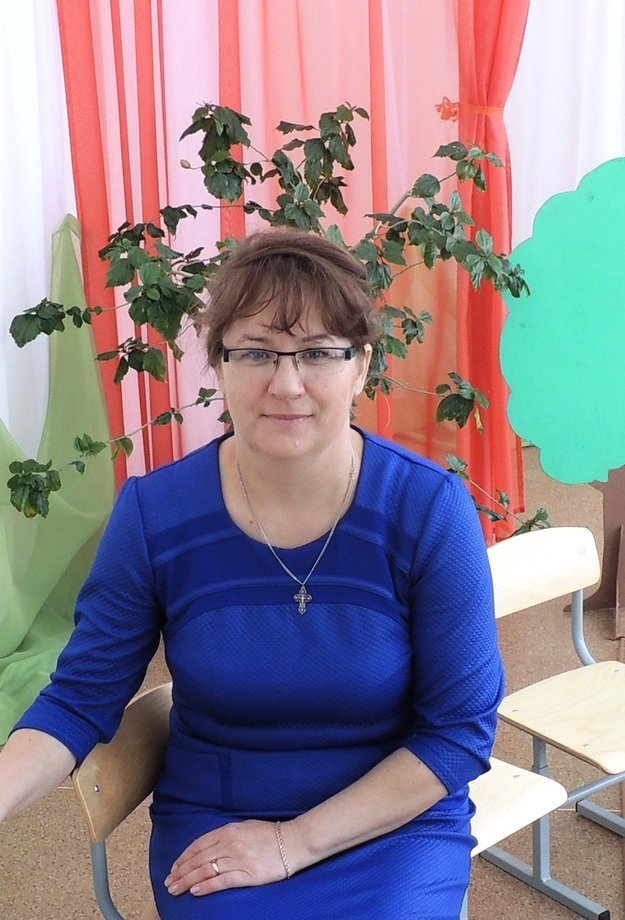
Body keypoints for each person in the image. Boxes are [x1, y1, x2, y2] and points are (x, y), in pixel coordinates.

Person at [0, 227, 504, 919]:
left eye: (318, 353)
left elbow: (457, 734)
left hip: (390, 818)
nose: (285, 384)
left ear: (361, 365)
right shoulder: (155, 514)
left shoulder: (426, 508)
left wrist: (293, 843)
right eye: (256, 351)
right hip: (220, 824)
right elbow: (80, 699)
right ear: (219, 363)